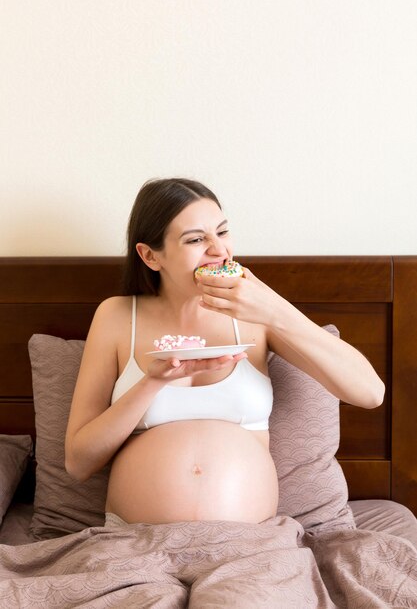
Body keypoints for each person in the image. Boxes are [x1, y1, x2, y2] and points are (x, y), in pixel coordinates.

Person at [64, 177, 385, 605]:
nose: (219, 250)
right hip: (136, 545)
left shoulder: (256, 314)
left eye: (223, 231)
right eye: (196, 239)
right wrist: (154, 381)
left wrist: (275, 309)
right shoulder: (117, 315)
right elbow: (78, 461)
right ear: (149, 255)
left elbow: (369, 392)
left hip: (248, 547)